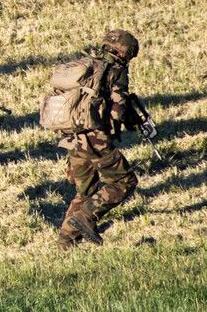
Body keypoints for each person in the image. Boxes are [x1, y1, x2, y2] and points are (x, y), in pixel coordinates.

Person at [55, 30, 141, 250]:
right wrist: (129, 117)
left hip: (73, 137)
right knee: (124, 181)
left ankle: (66, 242)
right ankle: (85, 217)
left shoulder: (88, 66)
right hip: (95, 140)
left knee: (86, 192)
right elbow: (116, 111)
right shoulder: (116, 71)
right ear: (125, 53)